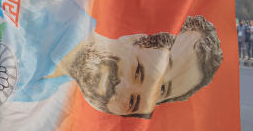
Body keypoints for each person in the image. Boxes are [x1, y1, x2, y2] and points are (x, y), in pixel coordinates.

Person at [50, 15, 222, 118]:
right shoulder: (53, 11)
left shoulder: (47, 95)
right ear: (135, 39)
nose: (120, 87)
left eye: (134, 101)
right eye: (138, 73)